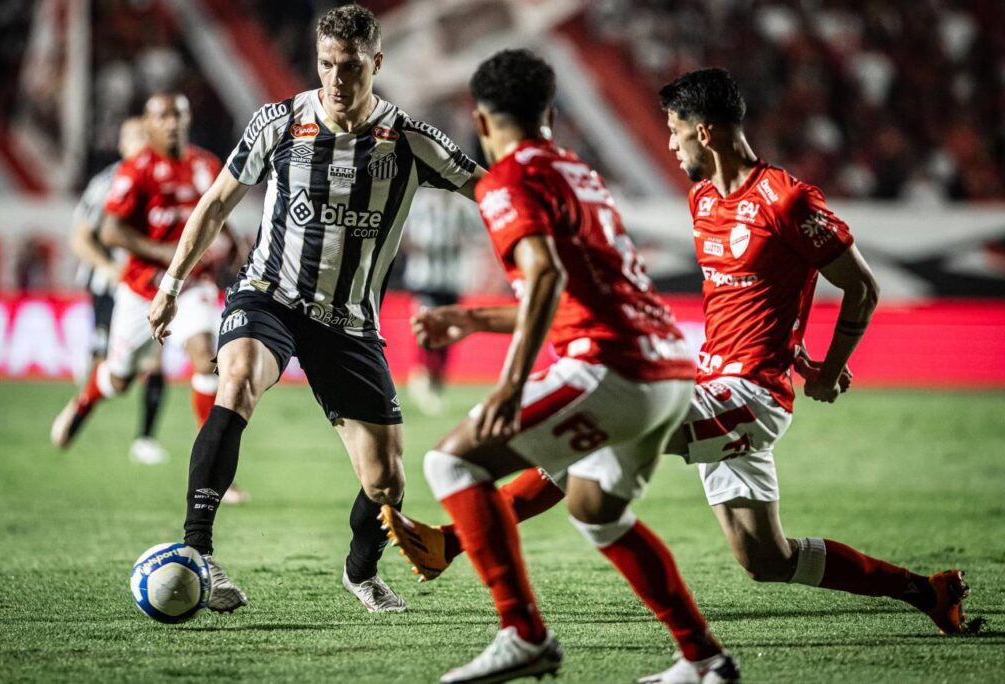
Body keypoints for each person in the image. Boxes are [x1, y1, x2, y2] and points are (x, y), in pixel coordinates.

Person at [384, 68, 974, 638]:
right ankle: (929, 592)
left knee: (607, 420)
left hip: (750, 395)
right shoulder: (703, 201)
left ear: (707, 130)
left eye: (674, 129)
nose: (669, 142)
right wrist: (797, 351)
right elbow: (757, 300)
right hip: (713, 382)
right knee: (765, 558)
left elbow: (862, 286)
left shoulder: (786, 199)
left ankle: (451, 543)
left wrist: (830, 367)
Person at [382, 49, 740, 684]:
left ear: (482, 123)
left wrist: (510, 385)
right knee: (597, 511)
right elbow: (572, 287)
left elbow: (545, 275)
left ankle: (523, 634)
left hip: (611, 366)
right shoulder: (578, 172)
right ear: (550, 113)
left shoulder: (505, 180)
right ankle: (703, 658)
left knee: (450, 460)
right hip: (670, 372)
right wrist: (473, 320)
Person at [145, 3, 483, 614]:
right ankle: (199, 551)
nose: (336, 78)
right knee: (237, 379)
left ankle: (361, 572)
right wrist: (171, 283)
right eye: (326, 64)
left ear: (375, 64)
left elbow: (491, 190)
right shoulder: (279, 123)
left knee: (385, 483)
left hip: (349, 320)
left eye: (350, 66)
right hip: (269, 293)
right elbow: (217, 202)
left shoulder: (407, 140)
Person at [51, 93, 248, 502]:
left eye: (178, 114)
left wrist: (232, 245)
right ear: (150, 123)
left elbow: (216, 215)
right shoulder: (136, 170)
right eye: (163, 116)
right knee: (119, 379)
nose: (172, 123)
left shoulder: (206, 165)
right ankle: (85, 401)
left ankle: (211, 474)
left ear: (188, 118)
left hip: (192, 286)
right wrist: (166, 254)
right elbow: (110, 232)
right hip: (141, 292)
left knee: (204, 357)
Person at [69, 117, 169, 465]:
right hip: (109, 286)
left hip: (146, 286)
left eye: (147, 135)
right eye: (135, 137)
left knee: (155, 359)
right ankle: (76, 417)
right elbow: (80, 238)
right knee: (105, 366)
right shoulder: (107, 182)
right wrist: (108, 267)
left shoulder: (161, 178)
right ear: (122, 144)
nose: (143, 142)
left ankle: (144, 439)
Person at [401, 189, 484, 415]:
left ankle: (436, 381)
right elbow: (401, 231)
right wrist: (412, 246)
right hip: (424, 277)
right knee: (426, 325)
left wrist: (461, 240)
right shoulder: (419, 200)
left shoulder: (461, 204)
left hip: (452, 278)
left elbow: (478, 231)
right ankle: (422, 378)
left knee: (447, 331)